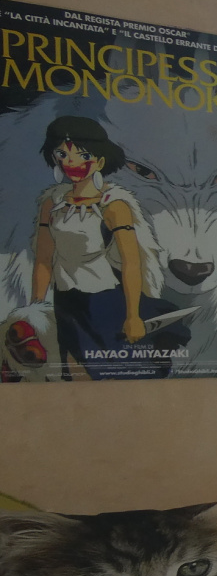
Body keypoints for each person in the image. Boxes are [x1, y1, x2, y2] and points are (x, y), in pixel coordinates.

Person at [28, 115, 190, 379]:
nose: (71, 162)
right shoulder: (52, 203)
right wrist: (33, 310)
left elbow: (131, 263)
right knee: (70, 372)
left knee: (114, 371)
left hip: (104, 302)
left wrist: (133, 316)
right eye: (63, 154)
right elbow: (44, 260)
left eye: (82, 155)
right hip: (65, 302)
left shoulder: (114, 205)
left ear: (100, 160)